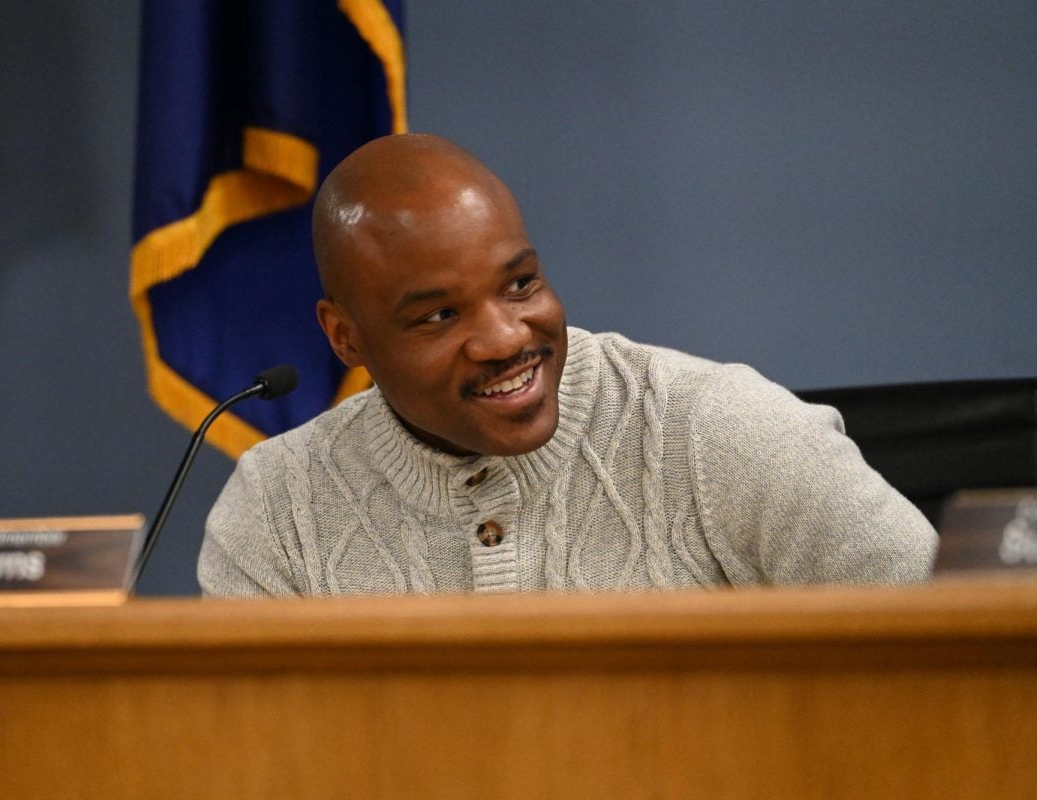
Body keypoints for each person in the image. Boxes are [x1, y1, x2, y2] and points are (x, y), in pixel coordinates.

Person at [198, 133, 937, 596]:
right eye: (439, 316)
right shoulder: (277, 510)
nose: (505, 338)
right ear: (345, 338)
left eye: (520, 284)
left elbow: (969, 645)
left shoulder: (717, 429)